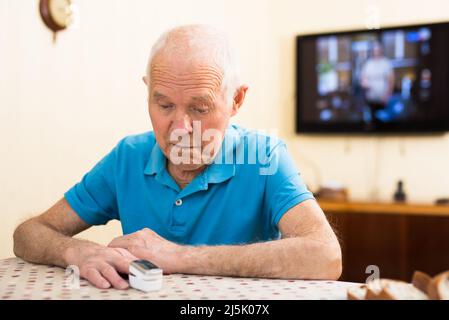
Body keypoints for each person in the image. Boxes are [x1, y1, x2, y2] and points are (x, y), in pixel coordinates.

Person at [13, 25, 342, 290]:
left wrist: (178, 257)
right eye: (164, 105)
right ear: (148, 91)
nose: (181, 128)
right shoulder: (128, 157)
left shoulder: (264, 156)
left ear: (236, 99)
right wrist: (74, 250)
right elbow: (28, 233)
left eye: (199, 108)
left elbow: (325, 255)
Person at [360, 41, 395, 124]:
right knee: (372, 121)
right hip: (370, 98)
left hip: (383, 99)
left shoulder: (386, 63)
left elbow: (391, 80)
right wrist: (364, 83)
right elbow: (363, 78)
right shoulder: (368, 64)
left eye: (377, 50)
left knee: (384, 122)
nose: (376, 52)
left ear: (381, 51)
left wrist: (388, 95)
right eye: (374, 50)